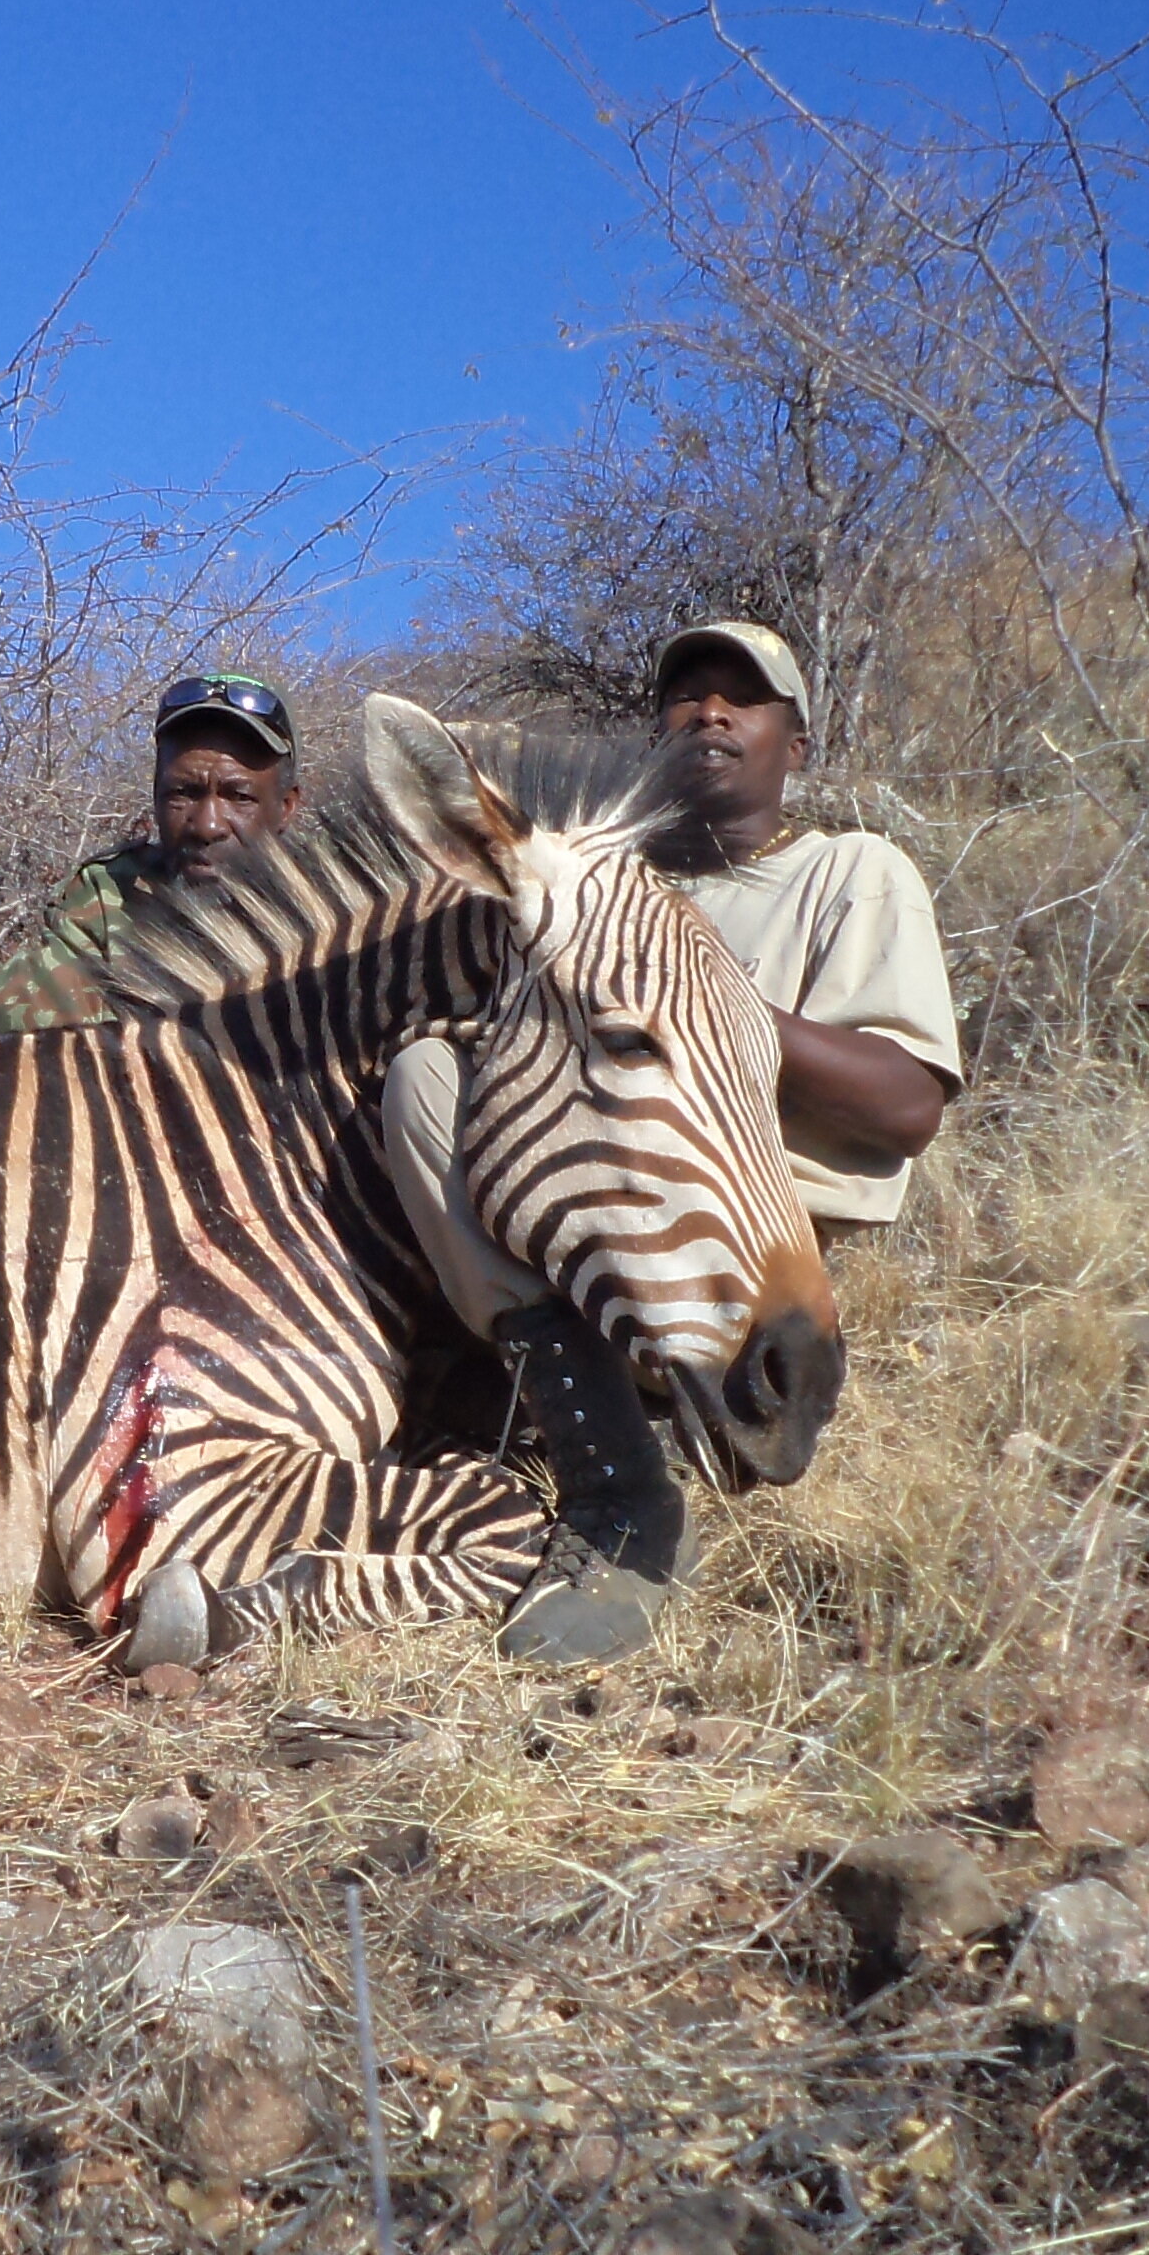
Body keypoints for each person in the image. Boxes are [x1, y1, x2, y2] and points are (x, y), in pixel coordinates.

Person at [383, 616, 963, 1663]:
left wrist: (707, 1006)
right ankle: (584, 1428)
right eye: (687, 695)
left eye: (744, 697)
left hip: (752, 1261)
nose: (710, 710)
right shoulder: (616, 887)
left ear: (798, 741)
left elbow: (910, 1103)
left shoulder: (852, 872)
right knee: (425, 1074)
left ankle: (626, 1510)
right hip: (599, 1224)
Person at [0, 668, 308, 1033]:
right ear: (156, 796)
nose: (208, 825)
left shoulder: (332, 917)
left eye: (238, 797)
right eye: (183, 793)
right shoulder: (109, 900)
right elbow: (11, 1044)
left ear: (285, 807)